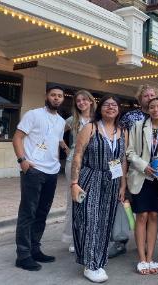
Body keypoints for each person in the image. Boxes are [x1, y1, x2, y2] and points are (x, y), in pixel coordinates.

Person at [71, 95, 127, 283]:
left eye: (114, 105)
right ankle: (90, 264)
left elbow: (123, 161)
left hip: (111, 181)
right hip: (90, 177)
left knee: (105, 221)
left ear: (119, 109)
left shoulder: (122, 131)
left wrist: (122, 185)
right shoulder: (90, 127)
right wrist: (74, 183)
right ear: (100, 108)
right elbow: (78, 155)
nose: (111, 107)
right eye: (106, 104)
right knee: (89, 220)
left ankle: (99, 259)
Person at [12, 85, 68, 271]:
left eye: (60, 96)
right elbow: (17, 137)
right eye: (53, 95)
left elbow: (58, 140)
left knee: (42, 213)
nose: (56, 98)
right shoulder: (33, 114)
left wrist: (69, 149)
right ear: (47, 96)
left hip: (52, 172)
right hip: (34, 171)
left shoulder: (60, 121)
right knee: (28, 212)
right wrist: (22, 161)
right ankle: (23, 254)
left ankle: (35, 249)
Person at [110, 84, 158, 258]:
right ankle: (120, 240)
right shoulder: (131, 117)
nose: (150, 97)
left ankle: (147, 243)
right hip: (132, 168)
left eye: (152, 94)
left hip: (155, 173)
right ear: (140, 99)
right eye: (146, 95)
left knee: (149, 211)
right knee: (126, 205)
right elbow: (122, 142)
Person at [126, 98, 158, 275]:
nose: (156, 109)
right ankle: (142, 259)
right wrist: (144, 165)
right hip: (141, 176)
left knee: (153, 215)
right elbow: (129, 152)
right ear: (147, 110)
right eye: (152, 107)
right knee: (142, 216)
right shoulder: (138, 125)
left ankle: (151, 257)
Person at [62, 90, 96, 253]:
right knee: (74, 200)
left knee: (90, 200)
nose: (81, 103)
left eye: (84, 100)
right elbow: (57, 135)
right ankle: (73, 237)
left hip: (93, 163)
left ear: (91, 101)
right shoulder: (72, 120)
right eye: (78, 101)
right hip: (74, 163)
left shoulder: (98, 120)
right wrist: (67, 150)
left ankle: (88, 235)